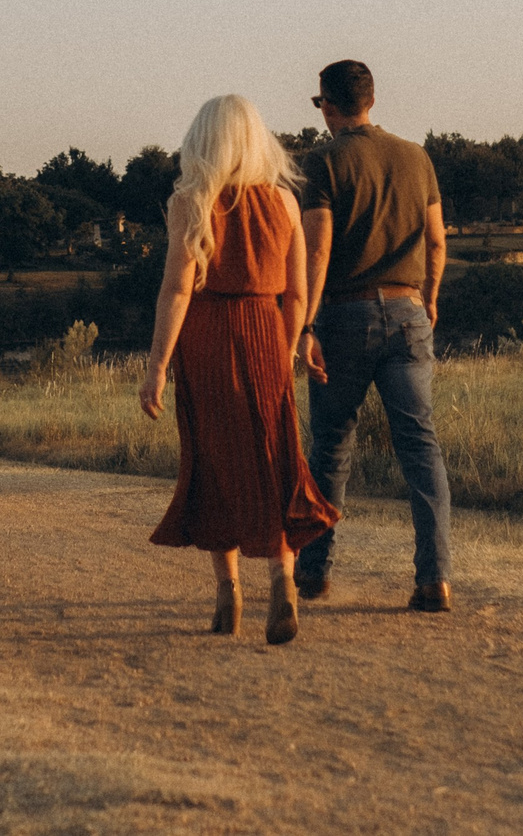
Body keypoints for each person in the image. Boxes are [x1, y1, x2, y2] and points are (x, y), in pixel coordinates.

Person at [141, 94, 340, 645]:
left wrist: (157, 364)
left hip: (205, 339)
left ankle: (228, 597)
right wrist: (292, 343)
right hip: (266, 336)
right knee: (272, 459)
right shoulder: (283, 202)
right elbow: (298, 293)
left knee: (212, 462)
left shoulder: (191, 201)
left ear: (202, 140)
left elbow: (178, 289)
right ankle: (283, 583)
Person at [294, 59, 453, 612]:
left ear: (328, 106)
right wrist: (429, 298)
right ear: (373, 100)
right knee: (421, 449)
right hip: (408, 314)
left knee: (332, 447)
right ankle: (435, 578)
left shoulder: (324, 162)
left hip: (342, 317)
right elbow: (436, 241)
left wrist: (306, 325)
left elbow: (317, 250)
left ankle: (314, 574)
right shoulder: (416, 156)